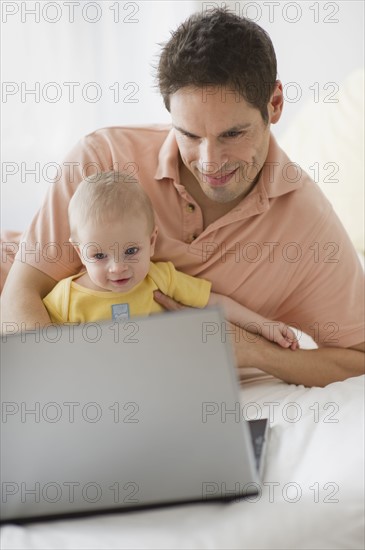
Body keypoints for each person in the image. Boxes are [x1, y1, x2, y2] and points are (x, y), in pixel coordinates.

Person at [1, 8, 364, 386]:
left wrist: (252, 350)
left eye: (232, 135)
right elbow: (20, 293)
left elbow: (357, 358)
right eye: (189, 135)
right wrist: (64, 400)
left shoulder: (307, 227)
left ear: (274, 105)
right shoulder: (102, 156)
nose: (209, 163)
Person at [43, 170, 298, 349]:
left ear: (151, 241)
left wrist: (263, 325)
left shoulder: (159, 277)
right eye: (99, 255)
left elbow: (213, 303)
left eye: (131, 251)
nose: (118, 267)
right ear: (79, 253)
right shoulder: (65, 299)